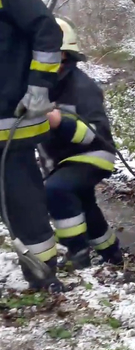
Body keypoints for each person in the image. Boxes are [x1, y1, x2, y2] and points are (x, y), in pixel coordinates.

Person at [39, 17, 123, 270]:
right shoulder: (44, 85)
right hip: (62, 160)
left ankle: (77, 254)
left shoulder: (82, 88)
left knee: (56, 190)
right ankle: (112, 253)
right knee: (84, 203)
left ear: (64, 56)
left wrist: (59, 121)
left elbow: (93, 134)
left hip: (93, 154)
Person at [0, 0, 65, 291]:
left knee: (22, 203)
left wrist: (39, 87)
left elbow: (47, 30)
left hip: (9, 126)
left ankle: (42, 277)